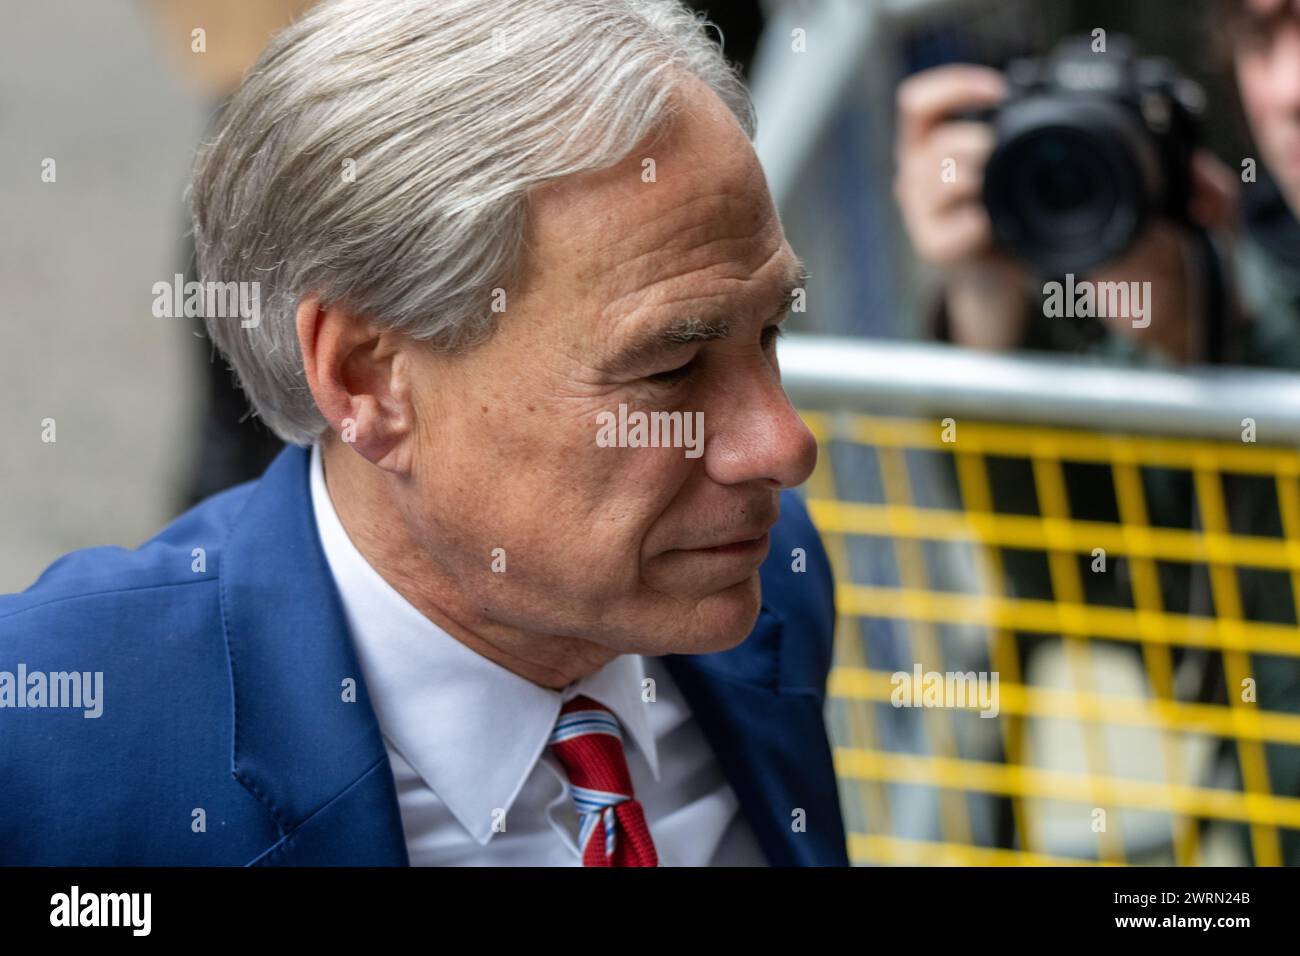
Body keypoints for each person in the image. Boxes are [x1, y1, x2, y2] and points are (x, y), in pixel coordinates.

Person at [0, 0, 847, 867]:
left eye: (770, 332)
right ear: (367, 380)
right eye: (670, 369)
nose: (782, 449)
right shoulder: (47, 743)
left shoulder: (757, 582)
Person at [893, 0, 1300, 863]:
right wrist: (988, 318)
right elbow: (1078, 588)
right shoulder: (1249, 268)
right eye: (1266, 35)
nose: (1291, 87)